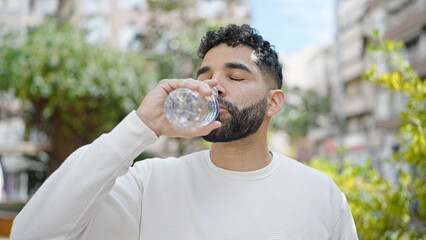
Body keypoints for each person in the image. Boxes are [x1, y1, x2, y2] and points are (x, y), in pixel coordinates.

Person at [11, 24, 358, 240]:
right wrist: (139, 127)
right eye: (205, 77)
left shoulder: (321, 195)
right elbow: (33, 234)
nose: (215, 86)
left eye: (235, 77)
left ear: (273, 103)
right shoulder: (150, 183)